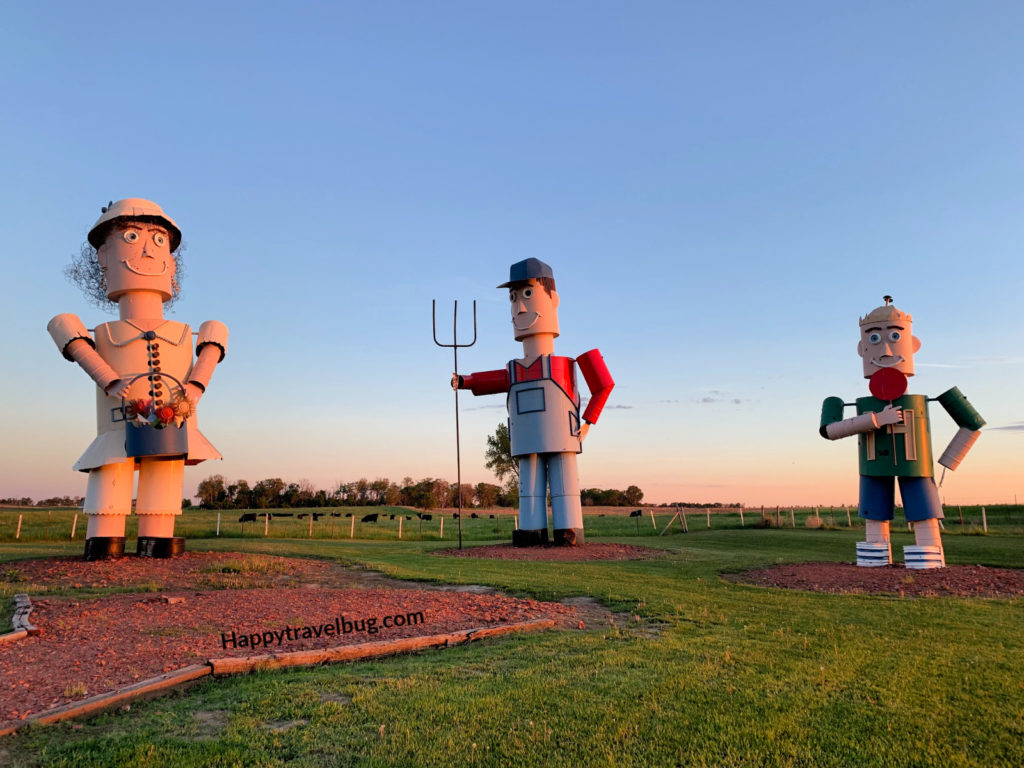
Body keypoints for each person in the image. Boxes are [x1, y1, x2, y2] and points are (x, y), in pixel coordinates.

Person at [48, 199, 228, 560]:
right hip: (116, 425)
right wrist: (107, 377)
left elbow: (213, 344)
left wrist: (195, 385)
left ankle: (157, 541)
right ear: (104, 257)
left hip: (174, 423)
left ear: (172, 263)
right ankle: (104, 541)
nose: (146, 249)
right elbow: (63, 330)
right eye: (131, 237)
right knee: (110, 475)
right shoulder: (103, 331)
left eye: (158, 240)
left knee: (163, 477)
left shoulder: (186, 331)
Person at [454, 258, 614, 546]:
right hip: (526, 436)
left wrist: (588, 422)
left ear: (553, 299)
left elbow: (604, 384)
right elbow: (489, 380)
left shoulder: (564, 364)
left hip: (562, 433)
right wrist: (465, 381)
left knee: (564, 483)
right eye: (513, 298)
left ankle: (568, 529)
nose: (520, 307)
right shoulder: (514, 369)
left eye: (528, 294)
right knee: (529, 485)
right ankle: (531, 529)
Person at [819, 296, 984, 568]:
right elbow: (829, 431)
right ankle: (875, 561)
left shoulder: (920, 400)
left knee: (923, 512)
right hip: (873, 465)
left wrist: (949, 459)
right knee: (875, 514)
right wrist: (875, 419)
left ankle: (927, 559)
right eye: (874, 340)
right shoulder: (849, 403)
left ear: (913, 344)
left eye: (894, 336)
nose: (884, 349)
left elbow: (972, 423)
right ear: (862, 348)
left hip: (915, 465)